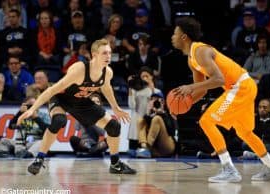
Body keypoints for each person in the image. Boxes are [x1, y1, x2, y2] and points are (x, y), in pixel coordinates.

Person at [171, 17, 270, 182]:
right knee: (244, 131)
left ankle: (229, 170)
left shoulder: (200, 51)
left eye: (175, 33)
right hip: (245, 86)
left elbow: (219, 80)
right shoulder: (191, 59)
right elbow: (202, 89)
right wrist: (184, 106)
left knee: (206, 121)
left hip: (240, 87)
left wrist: (189, 88)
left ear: (184, 37)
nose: (172, 37)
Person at [16, 38, 136, 175]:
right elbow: (51, 90)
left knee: (114, 126)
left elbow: (106, 87)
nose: (108, 56)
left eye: (109, 53)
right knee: (59, 121)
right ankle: (39, 159)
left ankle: (115, 164)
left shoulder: (107, 72)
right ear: (94, 55)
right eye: (104, 53)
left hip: (81, 101)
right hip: (61, 99)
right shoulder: (80, 69)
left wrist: (116, 108)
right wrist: (32, 109)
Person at [136, 92, 176, 158]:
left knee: (157, 119)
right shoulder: (150, 114)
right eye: (152, 99)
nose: (155, 102)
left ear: (163, 102)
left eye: (157, 100)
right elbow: (145, 129)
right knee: (140, 120)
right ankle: (144, 147)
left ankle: (147, 148)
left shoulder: (169, 113)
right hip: (155, 149)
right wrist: (149, 113)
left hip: (167, 146)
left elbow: (172, 131)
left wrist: (162, 113)